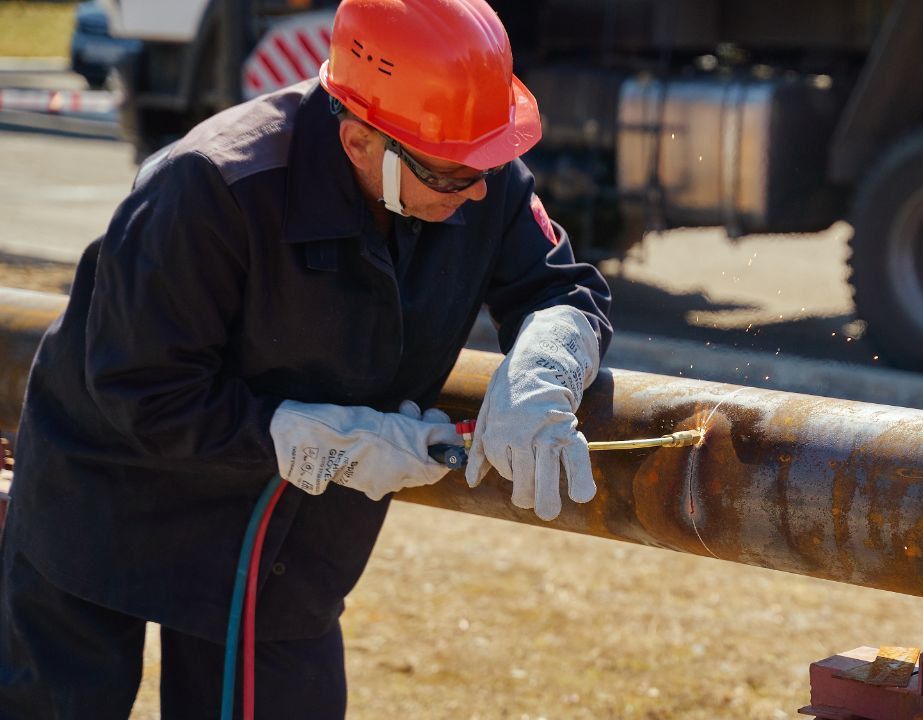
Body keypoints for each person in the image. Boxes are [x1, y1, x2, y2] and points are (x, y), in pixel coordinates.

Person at [0, 0, 610, 716]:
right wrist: (325, 443)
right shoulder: (212, 185)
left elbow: (560, 288)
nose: (477, 190)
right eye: (451, 175)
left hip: (282, 534)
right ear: (358, 142)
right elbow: (141, 388)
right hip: (105, 492)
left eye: (489, 163)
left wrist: (544, 370)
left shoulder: (473, 167)